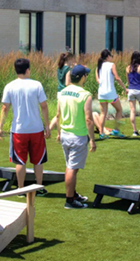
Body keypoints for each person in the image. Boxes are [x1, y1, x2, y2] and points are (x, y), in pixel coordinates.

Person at [0, 58, 50, 195]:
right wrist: (48, 126)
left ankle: (20, 189)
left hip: (19, 130)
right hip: (36, 128)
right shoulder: (37, 85)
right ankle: (39, 187)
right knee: (38, 160)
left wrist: (0, 127)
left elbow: (5, 108)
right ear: (27, 70)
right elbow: (44, 106)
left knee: (20, 161)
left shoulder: (10, 86)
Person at [57, 65, 97, 209]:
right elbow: (88, 119)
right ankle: (69, 200)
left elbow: (57, 115)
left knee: (71, 167)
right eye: (85, 75)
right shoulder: (85, 95)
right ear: (82, 77)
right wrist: (92, 139)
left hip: (65, 134)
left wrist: (57, 132)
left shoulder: (63, 92)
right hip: (78, 136)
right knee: (72, 168)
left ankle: (72, 194)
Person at [95, 49, 127, 139]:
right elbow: (117, 78)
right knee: (119, 110)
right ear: (108, 57)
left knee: (103, 113)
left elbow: (98, 81)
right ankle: (116, 130)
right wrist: (124, 88)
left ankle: (101, 133)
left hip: (101, 93)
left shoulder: (98, 67)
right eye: (111, 56)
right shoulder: (111, 65)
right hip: (110, 93)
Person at [49, 52, 74, 135]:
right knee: (66, 113)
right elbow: (67, 83)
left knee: (58, 114)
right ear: (69, 59)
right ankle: (62, 133)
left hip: (59, 92)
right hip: (66, 93)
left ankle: (53, 131)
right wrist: (75, 85)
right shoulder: (68, 69)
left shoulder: (59, 68)